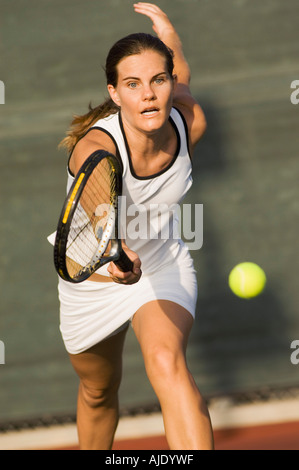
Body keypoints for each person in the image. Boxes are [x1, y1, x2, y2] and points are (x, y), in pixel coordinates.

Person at [54, 2, 214, 450]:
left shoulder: (188, 121)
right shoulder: (96, 150)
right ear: (115, 92)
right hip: (94, 270)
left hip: (161, 261)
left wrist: (167, 32)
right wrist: (117, 261)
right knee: (98, 391)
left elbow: (181, 68)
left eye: (157, 80)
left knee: (167, 362)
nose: (148, 94)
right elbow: (100, 232)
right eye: (132, 84)